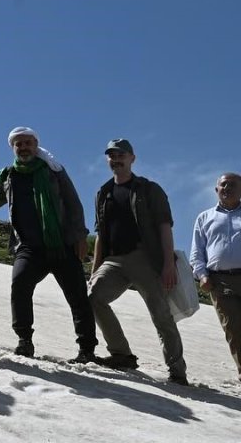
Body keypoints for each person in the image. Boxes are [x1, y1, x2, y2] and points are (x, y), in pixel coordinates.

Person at [0, 127, 96, 361]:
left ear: (36, 144)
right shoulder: (8, 175)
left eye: (27, 143)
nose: (23, 147)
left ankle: (87, 349)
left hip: (62, 244)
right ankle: (25, 340)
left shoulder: (53, 171)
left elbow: (73, 203)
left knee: (78, 297)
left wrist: (81, 236)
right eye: (18, 144)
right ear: (12, 148)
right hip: (28, 247)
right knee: (20, 286)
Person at [88, 139, 187, 385]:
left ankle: (177, 372)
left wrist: (167, 264)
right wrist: (95, 268)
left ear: (132, 158)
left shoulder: (148, 189)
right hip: (114, 260)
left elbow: (165, 227)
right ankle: (121, 354)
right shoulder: (103, 192)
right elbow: (101, 234)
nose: (116, 159)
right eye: (111, 155)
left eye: (121, 154)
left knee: (161, 316)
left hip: (145, 258)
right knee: (93, 299)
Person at [189, 172, 241, 381]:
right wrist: (202, 275)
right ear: (216, 189)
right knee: (234, 328)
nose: (227, 188)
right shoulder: (205, 217)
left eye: (233, 185)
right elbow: (197, 252)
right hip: (219, 280)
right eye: (223, 185)